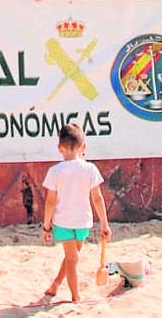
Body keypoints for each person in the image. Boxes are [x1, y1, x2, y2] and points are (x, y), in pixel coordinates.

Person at [40, 123, 112, 304]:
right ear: (83, 147)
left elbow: (50, 202)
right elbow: (97, 198)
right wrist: (104, 223)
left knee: (71, 258)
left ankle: (74, 296)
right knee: (73, 257)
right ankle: (59, 285)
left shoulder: (55, 171)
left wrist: (46, 226)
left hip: (63, 222)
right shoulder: (90, 169)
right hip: (83, 222)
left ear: (59, 148)